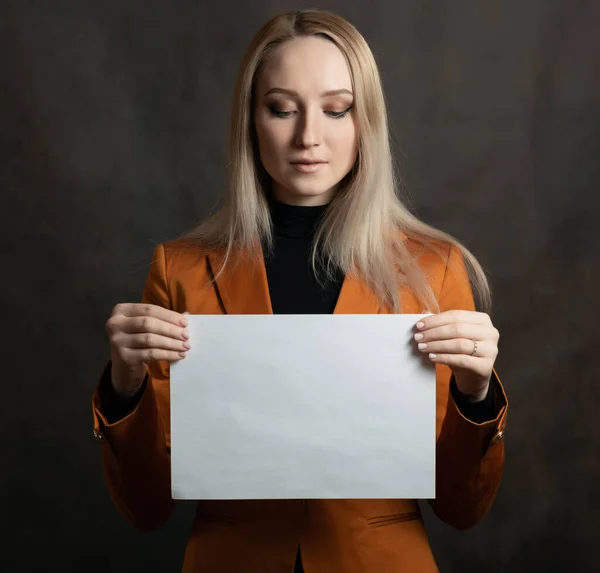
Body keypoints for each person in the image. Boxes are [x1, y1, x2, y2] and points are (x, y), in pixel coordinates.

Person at [91, 9, 508, 573]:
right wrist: (124, 387)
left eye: (337, 109)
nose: (309, 136)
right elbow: (145, 508)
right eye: (282, 108)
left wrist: (475, 395)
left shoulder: (433, 269)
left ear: (368, 123)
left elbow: (461, 507)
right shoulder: (182, 270)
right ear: (251, 121)